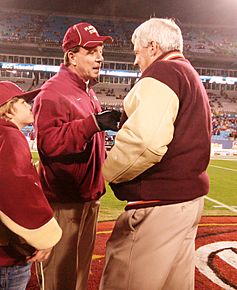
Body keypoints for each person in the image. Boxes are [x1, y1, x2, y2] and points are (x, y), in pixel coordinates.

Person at [100, 18, 212, 290]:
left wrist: (104, 174)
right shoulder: (187, 72)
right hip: (187, 201)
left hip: (158, 204)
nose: (136, 61)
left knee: (124, 282)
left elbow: (145, 142)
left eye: (137, 52)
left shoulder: (164, 72)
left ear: (152, 46)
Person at [33, 22, 121, 290]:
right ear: (71, 55)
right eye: (92, 51)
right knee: (60, 279)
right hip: (64, 202)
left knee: (80, 276)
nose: (100, 57)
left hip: (88, 199)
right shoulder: (52, 92)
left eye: (101, 51)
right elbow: (48, 144)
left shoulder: (88, 91)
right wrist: (92, 124)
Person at [0, 81, 62, 290]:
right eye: (21, 101)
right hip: (8, 257)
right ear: (7, 110)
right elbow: (17, 189)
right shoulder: (10, 136)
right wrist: (44, 236)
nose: (29, 105)